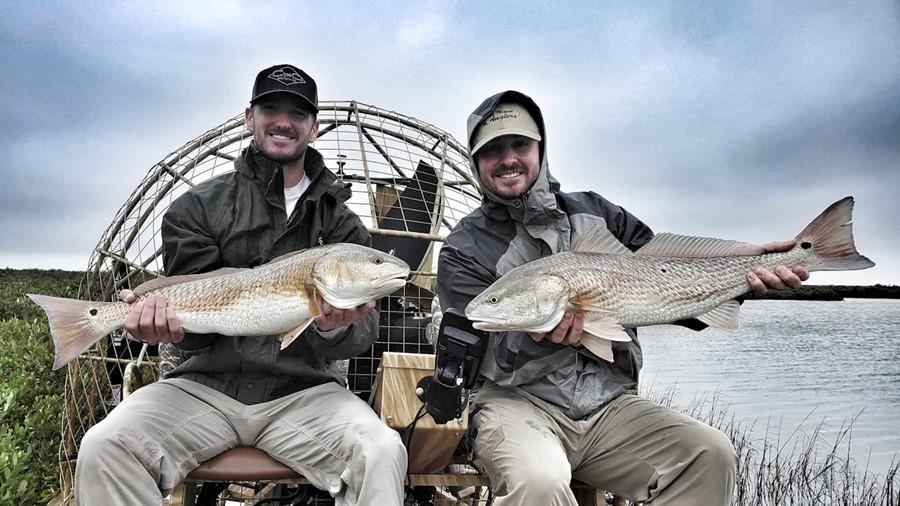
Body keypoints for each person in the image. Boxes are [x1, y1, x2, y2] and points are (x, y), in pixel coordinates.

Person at [437, 91, 808, 506]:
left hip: (610, 408)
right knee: (539, 480)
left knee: (709, 453)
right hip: (517, 406)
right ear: (475, 161)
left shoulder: (599, 213)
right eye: (493, 150)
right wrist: (551, 335)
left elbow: (666, 270)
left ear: (540, 148)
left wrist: (748, 264)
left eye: (520, 145)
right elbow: (472, 344)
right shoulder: (461, 249)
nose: (508, 159)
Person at [76, 64, 407, 505]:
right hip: (202, 389)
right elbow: (195, 326)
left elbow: (363, 333)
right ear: (249, 116)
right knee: (105, 447)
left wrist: (335, 326)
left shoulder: (342, 224)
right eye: (271, 108)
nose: (284, 121)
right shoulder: (194, 208)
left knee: (382, 450)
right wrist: (160, 326)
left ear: (315, 127)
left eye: (298, 112)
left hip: (304, 393)